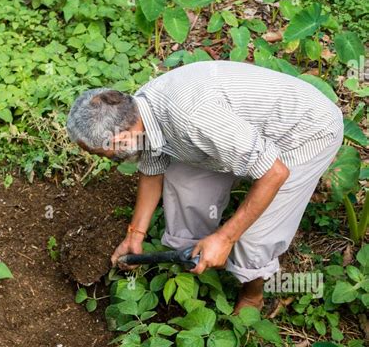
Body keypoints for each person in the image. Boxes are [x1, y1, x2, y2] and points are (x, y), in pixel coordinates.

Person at [66, 60, 344, 314]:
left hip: (304, 132)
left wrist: (226, 238)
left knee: (253, 238)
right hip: (240, 133)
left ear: (121, 137)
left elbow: (274, 172)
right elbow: (152, 170)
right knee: (183, 183)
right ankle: (192, 257)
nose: (103, 160)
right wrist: (135, 234)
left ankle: (253, 294)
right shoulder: (138, 113)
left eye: (100, 154)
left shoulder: (192, 118)